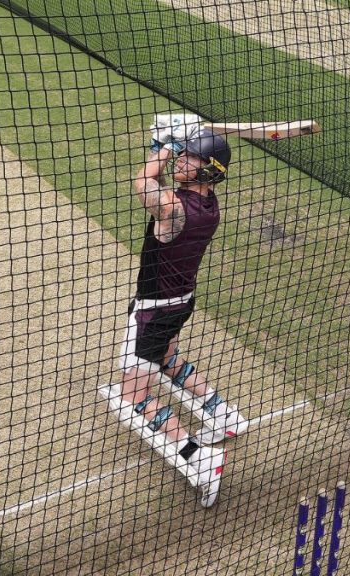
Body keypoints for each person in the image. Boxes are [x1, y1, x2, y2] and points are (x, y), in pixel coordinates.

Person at [100, 114, 248, 508]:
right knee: (167, 361)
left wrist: (162, 144)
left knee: (134, 397)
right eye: (182, 154)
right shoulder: (207, 204)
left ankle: (199, 456)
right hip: (181, 302)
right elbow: (162, 188)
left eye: (190, 157)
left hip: (153, 311)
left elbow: (145, 182)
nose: (181, 160)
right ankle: (224, 415)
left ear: (209, 170)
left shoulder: (174, 208)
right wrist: (171, 146)